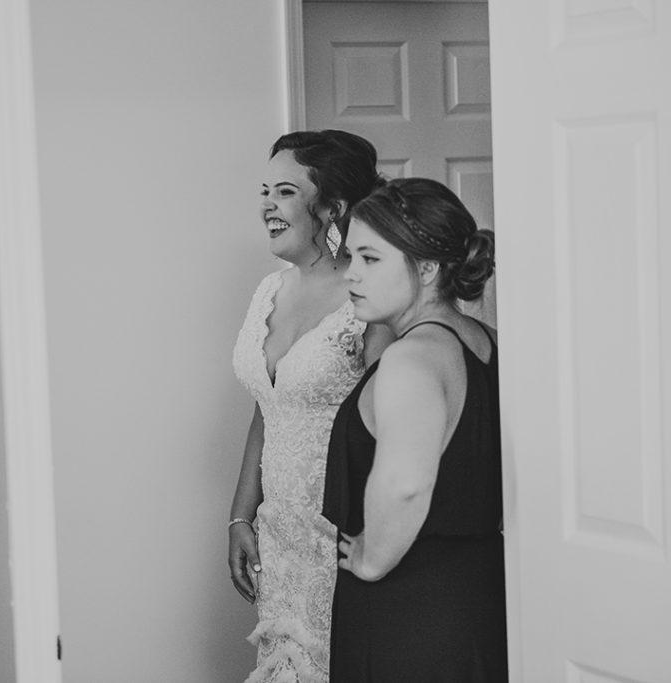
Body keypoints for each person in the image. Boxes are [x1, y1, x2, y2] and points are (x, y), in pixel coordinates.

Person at [322, 177, 506, 681]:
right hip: (480, 595)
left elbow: (406, 483)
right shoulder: (488, 342)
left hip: (410, 609)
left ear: (427, 268)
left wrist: (371, 562)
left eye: (370, 258)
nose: (351, 274)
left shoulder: (411, 358)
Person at [229, 130, 390, 682]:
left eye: (286, 192)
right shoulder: (268, 291)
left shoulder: (368, 296)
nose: (267, 205)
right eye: (264, 191)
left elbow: (392, 427)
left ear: (333, 207)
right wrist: (240, 515)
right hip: (280, 539)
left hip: (343, 537)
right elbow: (267, 409)